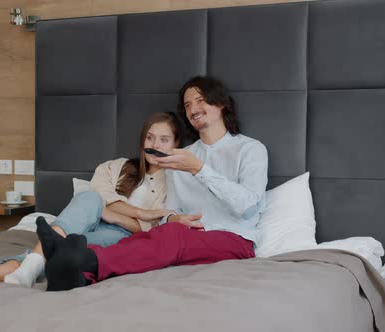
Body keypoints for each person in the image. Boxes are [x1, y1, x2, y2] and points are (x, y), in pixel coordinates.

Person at [38, 76, 268, 291]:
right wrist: (172, 218)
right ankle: (71, 263)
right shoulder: (179, 156)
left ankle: (85, 262)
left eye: (200, 100)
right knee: (154, 236)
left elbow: (248, 205)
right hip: (188, 234)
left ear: (221, 104)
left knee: (173, 237)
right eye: (187, 105)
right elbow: (172, 210)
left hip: (234, 238)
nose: (193, 109)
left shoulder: (250, 149)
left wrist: (200, 170)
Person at [0, 112, 184, 287]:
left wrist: (112, 215)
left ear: (176, 145)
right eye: (150, 138)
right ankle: (29, 266)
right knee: (90, 198)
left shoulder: (176, 184)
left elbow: (149, 228)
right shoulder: (115, 166)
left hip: (119, 234)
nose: (154, 145)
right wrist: (139, 213)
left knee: (66, 246)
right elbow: (98, 196)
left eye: (164, 140)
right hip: (84, 216)